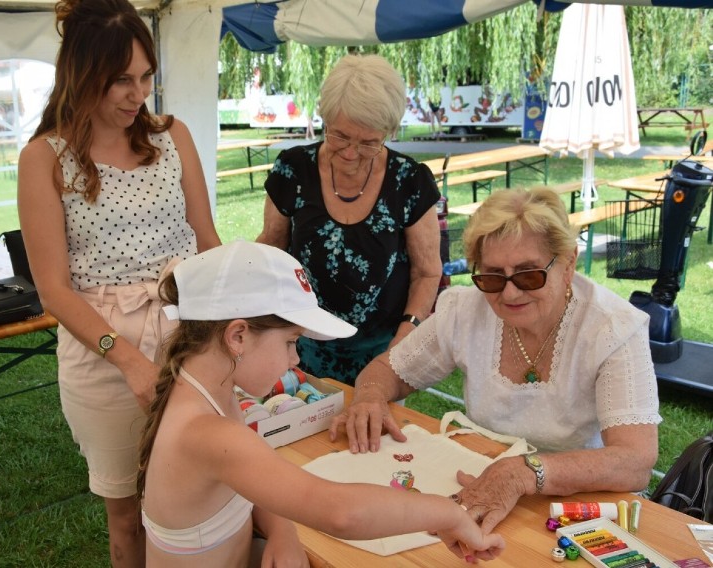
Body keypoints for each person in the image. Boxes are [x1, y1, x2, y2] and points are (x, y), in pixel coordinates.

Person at [137, 240, 505, 567]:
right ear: (237, 336)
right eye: (289, 342)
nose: (295, 359)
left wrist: (282, 530)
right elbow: (341, 513)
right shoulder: (207, 432)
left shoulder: (204, 390)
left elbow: (246, 484)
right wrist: (448, 514)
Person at [329, 187, 662, 534]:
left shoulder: (612, 327)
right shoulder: (466, 309)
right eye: (491, 276)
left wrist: (523, 471)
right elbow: (390, 370)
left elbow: (634, 461)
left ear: (568, 263)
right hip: (481, 484)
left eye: (529, 274)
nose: (509, 293)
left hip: (577, 509)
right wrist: (369, 396)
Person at [17, 0, 220, 565]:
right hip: (103, 347)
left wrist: (244, 317)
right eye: (121, 81)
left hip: (190, 330)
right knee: (128, 517)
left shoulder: (172, 135)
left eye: (146, 76)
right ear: (82, 78)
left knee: (210, 485)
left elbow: (207, 239)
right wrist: (126, 358)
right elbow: (54, 289)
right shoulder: (45, 159)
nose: (139, 95)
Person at [257, 54, 442, 385]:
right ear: (324, 118)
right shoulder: (293, 170)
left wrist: (404, 339)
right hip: (301, 346)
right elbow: (271, 248)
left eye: (369, 142)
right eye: (340, 136)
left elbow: (427, 271)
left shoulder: (409, 181)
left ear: (389, 132)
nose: (351, 153)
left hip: (384, 351)